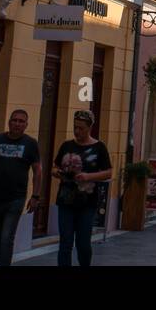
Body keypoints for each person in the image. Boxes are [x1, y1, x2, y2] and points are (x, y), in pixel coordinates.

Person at [0, 108, 42, 267]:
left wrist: (35, 196)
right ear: (9, 122)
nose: (17, 124)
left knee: (6, 239)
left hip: (16, 199)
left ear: (26, 125)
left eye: (21, 121)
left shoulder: (30, 144)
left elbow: (37, 171)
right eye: (14, 120)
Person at [52, 110, 113, 266]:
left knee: (83, 243)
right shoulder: (67, 145)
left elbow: (108, 172)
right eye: (75, 127)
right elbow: (54, 167)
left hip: (87, 202)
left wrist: (88, 177)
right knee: (65, 242)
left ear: (89, 127)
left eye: (81, 128)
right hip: (65, 200)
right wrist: (58, 173)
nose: (77, 131)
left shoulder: (99, 147)